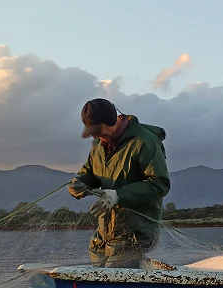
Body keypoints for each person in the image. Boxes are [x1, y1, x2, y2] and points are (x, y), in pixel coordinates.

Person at [67, 98, 170, 268]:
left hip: (136, 233)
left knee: (112, 279)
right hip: (105, 232)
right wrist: (79, 183)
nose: (94, 135)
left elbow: (160, 184)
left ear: (112, 121)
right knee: (97, 278)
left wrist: (118, 195)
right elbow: (89, 174)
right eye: (91, 131)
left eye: (97, 130)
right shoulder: (98, 143)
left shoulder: (145, 142)